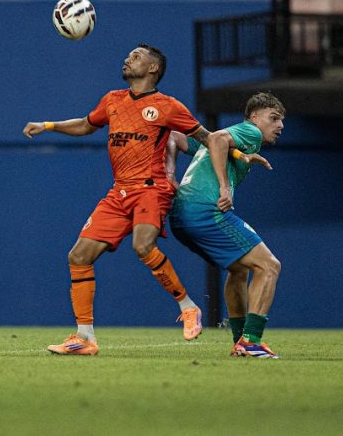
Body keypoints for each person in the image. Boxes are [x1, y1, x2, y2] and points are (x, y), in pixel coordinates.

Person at [23, 44, 228, 356]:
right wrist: (48, 125)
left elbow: (208, 138)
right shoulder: (112, 100)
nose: (127, 58)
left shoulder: (167, 106)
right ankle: (84, 337)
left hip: (152, 188)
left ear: (153, 68)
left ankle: (188, 307)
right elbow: (85, 124)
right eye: (129, 55)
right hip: (119, 192)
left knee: (142, 244)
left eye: (136, 55)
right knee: (78, 256)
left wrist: (235, 160)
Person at [169, 92, 285, 358]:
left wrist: (169, 174)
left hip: (180, 217)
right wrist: (224, 187)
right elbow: (219, 139)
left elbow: (174, 136)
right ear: (254, 117)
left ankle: (240, 342)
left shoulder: (228, 142)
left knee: (239, 270)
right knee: (269, 266)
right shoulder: (250, 132)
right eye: (274, 118)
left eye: (282, 121)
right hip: (205, 211)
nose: (280, 125)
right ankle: (251, 340)